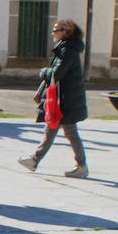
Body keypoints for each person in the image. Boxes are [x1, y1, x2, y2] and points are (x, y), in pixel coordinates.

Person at [17, 19, 88, 179]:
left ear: (67, 31)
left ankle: (81, 165)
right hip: (63, 99)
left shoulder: (67, 51)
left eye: (56, 30)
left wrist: (43, 71)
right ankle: (35, 160)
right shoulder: (65, 49)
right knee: (54, 129)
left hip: (66, 100)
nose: (53, 33)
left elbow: (56, 74)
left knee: (68, 131)